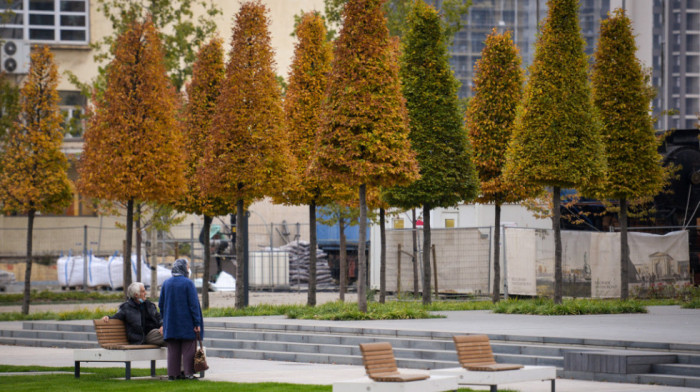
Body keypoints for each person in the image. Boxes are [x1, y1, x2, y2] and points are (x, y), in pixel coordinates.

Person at [159, 258, 203, 381]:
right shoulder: (188, 283)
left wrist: (164, 320)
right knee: (188, 348)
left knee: (173, 349)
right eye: (187, 266)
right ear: (184, 268)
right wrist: (197, 322)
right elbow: (193, 305)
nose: (188, 269)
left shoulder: (166, 283)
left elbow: (161, 304)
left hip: (170, 323)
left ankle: (173, 374)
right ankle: (188, 373)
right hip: (186, 322)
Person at [101, 282, 164, 346]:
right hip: (143, 337)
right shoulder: (126, 307)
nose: (146, 293)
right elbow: (116, 317)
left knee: (170, 334)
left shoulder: (148, 305)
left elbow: (159, 317)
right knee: (170, 336)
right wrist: (108, 317)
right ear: (136, 295)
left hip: (156, 332)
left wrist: (163, 325)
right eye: (143, 291)